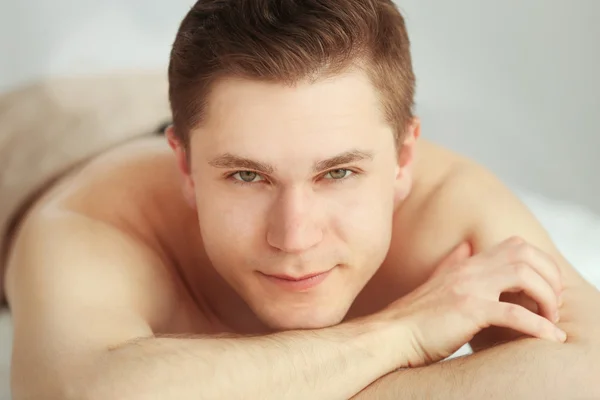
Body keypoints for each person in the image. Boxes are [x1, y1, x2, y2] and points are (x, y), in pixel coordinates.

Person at [3, 1, 599, 399]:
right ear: (184, 165)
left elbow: (588, 369)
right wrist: (402, 334)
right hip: (35, 136)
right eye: (245, 178)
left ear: (405, 159)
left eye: (338, 173)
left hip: (207, 109)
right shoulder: (88, 222)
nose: (294, 237)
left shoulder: (446, 204)